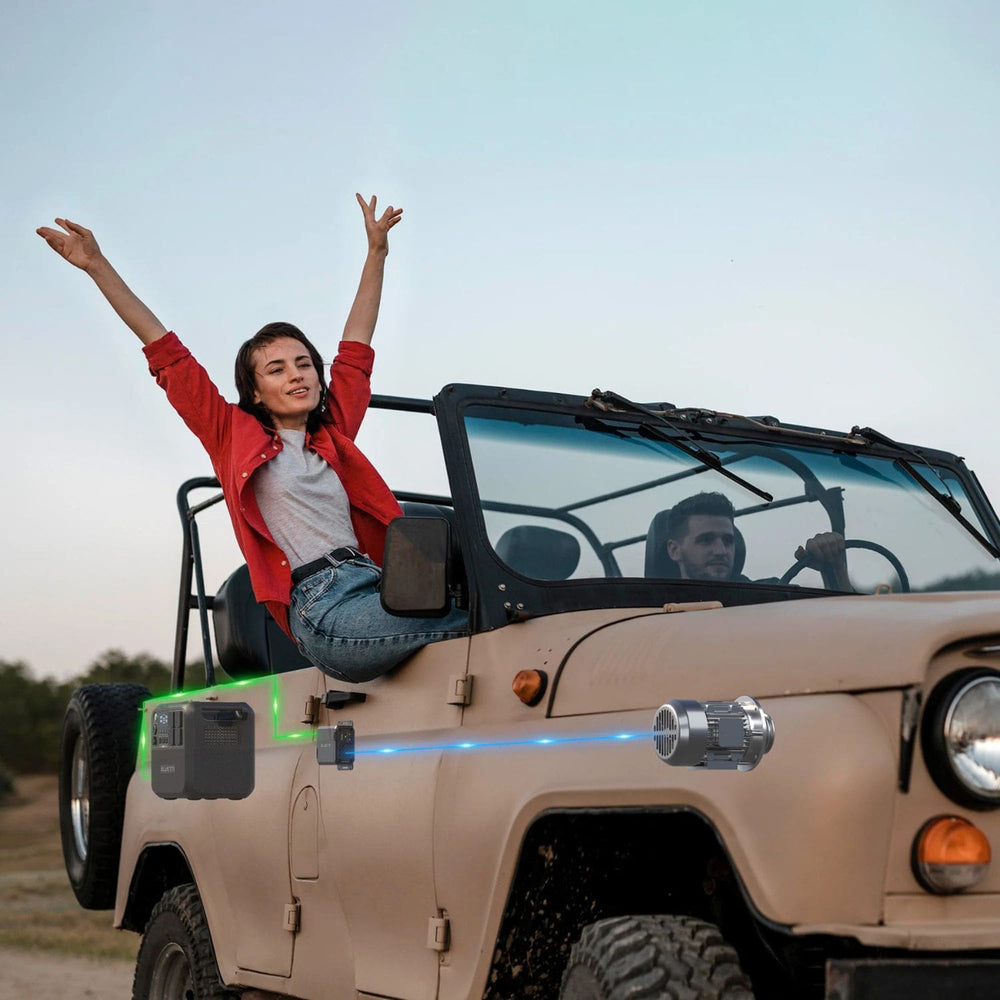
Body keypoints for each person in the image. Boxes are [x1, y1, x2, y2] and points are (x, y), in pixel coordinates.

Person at [37, 196, 468, 684]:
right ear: (256, 391)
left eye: (304, 364)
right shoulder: (230, 435)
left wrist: (376, 253)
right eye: (278, 369)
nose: (297, 375)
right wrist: (97, 267)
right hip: (323, 608)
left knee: (487, 605)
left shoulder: (332, 435)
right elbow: (166, 353)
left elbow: (356, 350)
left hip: (379, 584)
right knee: (465, 625)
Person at [664, 492, 851, 590]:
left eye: (728, 540)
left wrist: (835, 569)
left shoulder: (770, 594)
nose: (721, 550)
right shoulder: (647, 607)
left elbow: (843, 632)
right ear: (674, 550)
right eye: (706, 540)